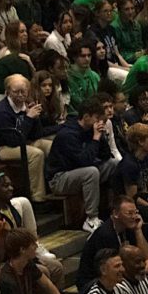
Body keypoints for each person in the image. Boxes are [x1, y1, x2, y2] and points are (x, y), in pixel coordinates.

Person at [45, 98, 120, 233]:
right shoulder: (68, 135)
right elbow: (84, 161)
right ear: (86, 117)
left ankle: (113, 207)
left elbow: (105, 156)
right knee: (91, 172)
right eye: (97, 118)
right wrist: (95, 138)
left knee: (114, 164)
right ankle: (91, 218)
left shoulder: (92, 129)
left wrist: (101, 137)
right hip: (59, 178)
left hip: (79, 172)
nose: (99, 122)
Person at [0, 74, 52, 201]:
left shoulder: (26, 104)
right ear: (7, 92)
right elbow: (13, 140)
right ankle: (37, 198)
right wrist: (28, 118)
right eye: (16, 92)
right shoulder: (1, 112)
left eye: (24, 91)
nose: (21, 95)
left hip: (22, 142)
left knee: (50, 145)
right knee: (36, 154)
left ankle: (51, 186)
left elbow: (36, 135)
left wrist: (35, 118)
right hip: (1, 148)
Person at [76, 196, 148, 293]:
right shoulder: (105, 234)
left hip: (117, 274)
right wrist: (142, 269)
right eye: (129, 213)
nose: (134, 217)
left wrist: (138, 230)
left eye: (135, 212)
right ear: (115, 214)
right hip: (94, 282)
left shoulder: (128, 227)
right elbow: (111, 269)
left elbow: (145, 257)